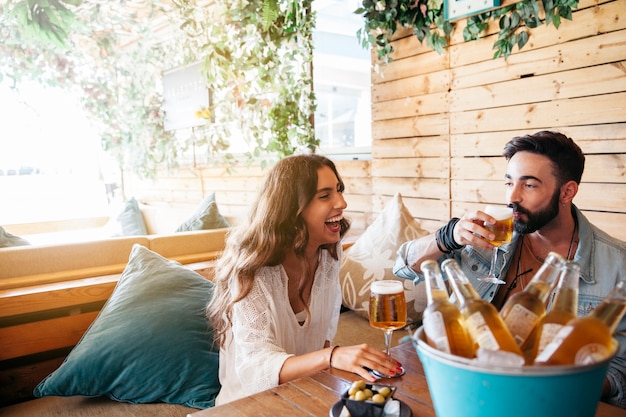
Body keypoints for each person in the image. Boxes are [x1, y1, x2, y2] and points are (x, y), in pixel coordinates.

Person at [393, 131, 626, 408]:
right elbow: (404, 266)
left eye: (528, 186)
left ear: (567, 191)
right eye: (509, 182)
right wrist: (448, 235)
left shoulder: (617, 264)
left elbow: (620, 369)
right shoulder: (484, 235)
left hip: (547, 403)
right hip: (462, 390)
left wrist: (561, 379)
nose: (512, 197)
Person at [207, 154, 403, 405]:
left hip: (303, 390)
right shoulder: (251, 269)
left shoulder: (329, 251)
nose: (342, 202)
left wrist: (330, 374)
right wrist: (332, 357)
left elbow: (323, 336)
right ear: (290, 210)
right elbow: (256, 368)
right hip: (249, 403)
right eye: (325, 195)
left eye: (339, 190)